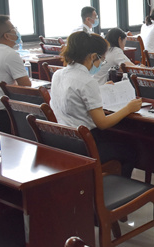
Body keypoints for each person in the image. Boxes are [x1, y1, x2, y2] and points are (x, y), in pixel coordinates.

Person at [50, 31, 142, 177]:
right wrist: (128, 108)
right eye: (102, 59)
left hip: (65, 140)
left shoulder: (58, 74)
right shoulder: (87, 81)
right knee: (130, 150)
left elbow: (75, 96)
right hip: (87, 144)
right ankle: (116, 187)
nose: (101, 63)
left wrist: (101, 88)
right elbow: (102, 123)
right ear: (93, 57)